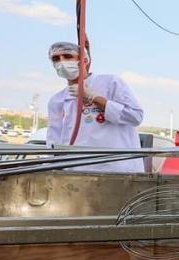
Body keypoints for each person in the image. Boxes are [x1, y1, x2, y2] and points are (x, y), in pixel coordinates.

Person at [44, 40, 145, 173]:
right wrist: (54, 169)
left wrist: (94, 98)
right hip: (76, 170)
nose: (62, 62)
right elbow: (53, 141)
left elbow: (135, 117)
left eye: (68, 56)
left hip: (117, 169)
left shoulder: (110, 83)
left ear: (84, 60)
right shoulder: (57, 100)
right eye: (56, 59)